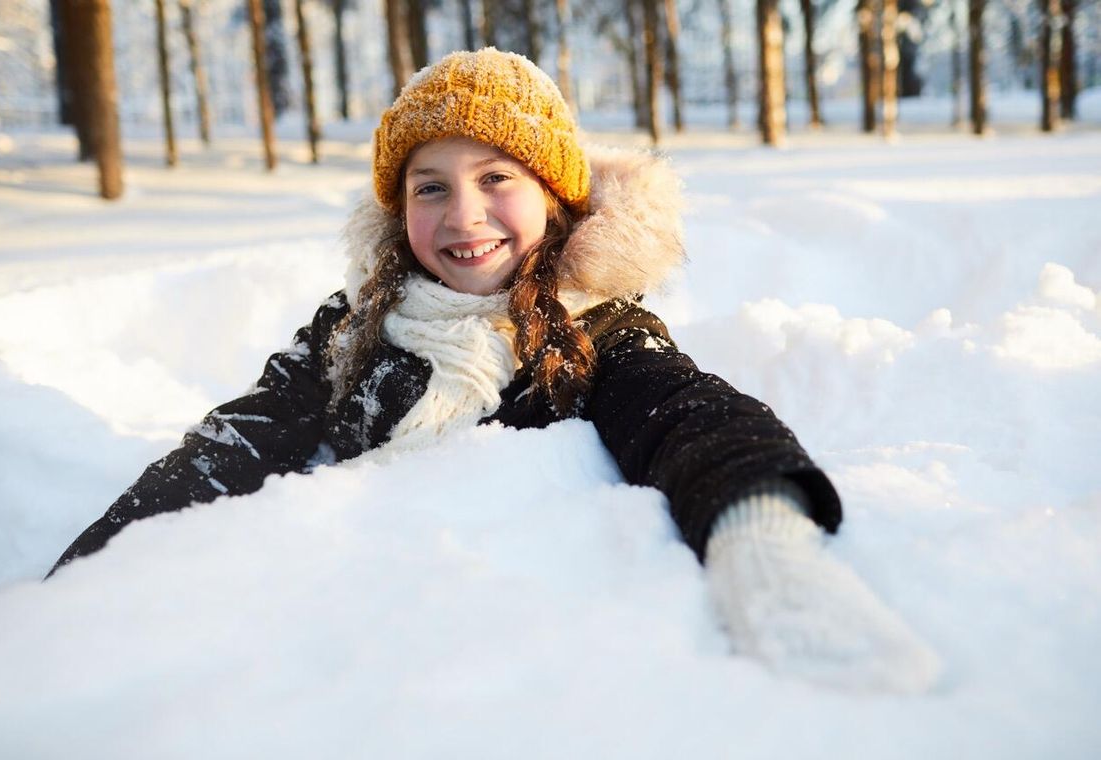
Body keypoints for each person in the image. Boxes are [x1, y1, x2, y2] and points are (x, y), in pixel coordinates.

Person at [48, 48, 940, 692]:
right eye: (429, 186)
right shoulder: (356, 327)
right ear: (400, 215)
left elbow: (690, 416)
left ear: (553, 196)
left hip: (486, 664)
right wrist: (91, 580)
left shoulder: (599, 334)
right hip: (322, 639)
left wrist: (762, 540)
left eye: (496, 177)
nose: (463, 213)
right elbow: (235, 443)